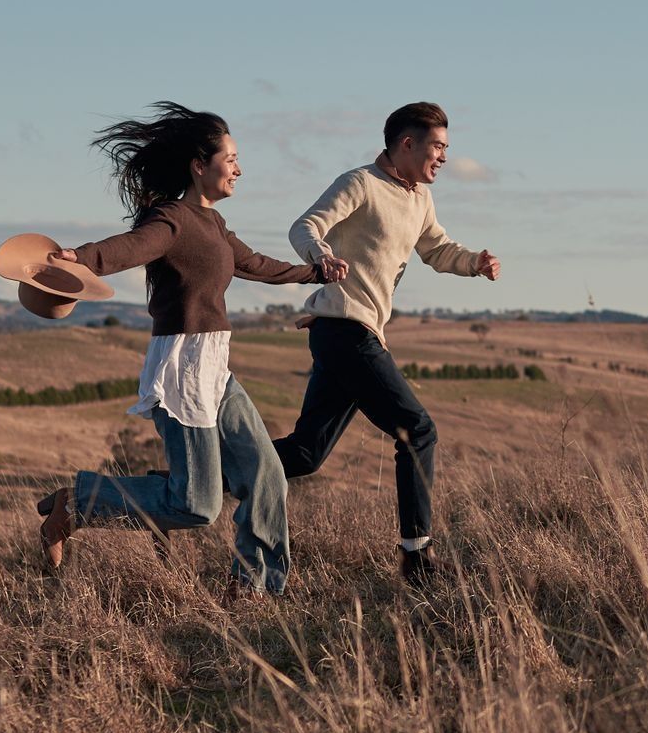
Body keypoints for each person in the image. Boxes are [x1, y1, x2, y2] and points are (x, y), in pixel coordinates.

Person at [33, 103, 343, 595]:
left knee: (268, 479)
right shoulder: (174, 219)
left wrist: (316, 271)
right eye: (232, 158)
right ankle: (76, 503)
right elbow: (131, 247)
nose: (239, 169)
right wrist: (80, 258)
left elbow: (257, 264)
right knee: (196, 506)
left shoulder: (215, 225)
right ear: (200, 165)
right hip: (183, 371)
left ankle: (254, 590)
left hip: (216, 368)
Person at [275, 101, 500, 584]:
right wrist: (321, 257)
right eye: (437, 147)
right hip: (343, 330)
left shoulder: (418, 198)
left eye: (445, 148)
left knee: (304, 455)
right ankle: (417, 558)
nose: (443, 157)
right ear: (406, 144)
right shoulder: (360, 183)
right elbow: (304, 226)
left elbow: (437, 249)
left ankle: (189, 485)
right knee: (417, 430)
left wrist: (474, 263)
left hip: (355, 333)